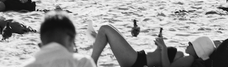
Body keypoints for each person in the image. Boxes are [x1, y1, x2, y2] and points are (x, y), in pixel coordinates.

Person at [89, 24, 217, 67]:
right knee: (108, 29)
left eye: (191, 43)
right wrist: (160, 48)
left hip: (138, 61)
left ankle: (91, 64)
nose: (188, 44)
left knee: (105, 29)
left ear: (197, 49)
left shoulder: (189, 58)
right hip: (138, 59)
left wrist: (164, 48)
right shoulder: (186, 57)